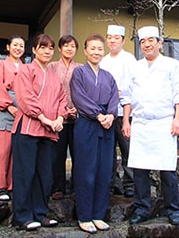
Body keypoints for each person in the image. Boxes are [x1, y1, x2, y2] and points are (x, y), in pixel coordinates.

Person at [122, 26, 179, 226]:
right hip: (141, 124)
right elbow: (127, 96)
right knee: (140, 171)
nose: (147, 44)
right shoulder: (135, 67)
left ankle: (173, 209)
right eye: (143, 41)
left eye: (151, 40)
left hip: (164, 123)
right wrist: (126, 120)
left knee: (168, 170)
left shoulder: (172, 65)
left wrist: (178, 118)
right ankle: (142, 209)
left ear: (160, 43)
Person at [11, 34, 68, 232]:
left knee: (45, 175)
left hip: (49, 132)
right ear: (34, 50)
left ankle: (40, 213)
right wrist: (44, 118)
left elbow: (62, 99)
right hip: (27, 129)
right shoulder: (25, 70)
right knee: (25, 173)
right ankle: (22, 217)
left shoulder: (54, 75)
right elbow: (26, 98)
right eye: (42, 47)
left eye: (50, 48)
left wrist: (60, 118)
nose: (47, 51)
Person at [70, 34, 120, 234]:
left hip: (107, 126)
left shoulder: (108, 76)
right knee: (86, 171)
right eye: (93, 48)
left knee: (104, 171)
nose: (97, 52)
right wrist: (98, 115)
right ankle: (84, 216)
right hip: (87, 125)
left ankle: (98, 214)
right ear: (85, 51)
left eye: (100, 48)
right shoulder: (79, 73)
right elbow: (78, 97)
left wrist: (111, 115)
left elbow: (115, 96)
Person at [100, 24, 136, 198]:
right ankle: (113, 182)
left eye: (116, 38)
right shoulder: (103, 60)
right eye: (109, 37)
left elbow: (134, 86)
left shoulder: (129, 60)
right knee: (109, 151)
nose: (112, 41)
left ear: (122, 40)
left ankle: (130, 184)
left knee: (128, 149)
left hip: (124, 113)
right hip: (106, 113)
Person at [0, 35, 25, 201]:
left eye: (21, 46)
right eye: (15, 45)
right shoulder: (0, 64)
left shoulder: (26, 68)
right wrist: (9, 106)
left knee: (16, 152)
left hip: (22, 112)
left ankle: (12, 186)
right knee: (1, 151)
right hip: (3, 112)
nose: (18, 48)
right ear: (8, 47)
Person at [48, 35, 82, 200]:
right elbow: (49, 91)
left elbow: (84, 92)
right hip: (58, 118)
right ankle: (58, 188)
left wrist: (78, 109)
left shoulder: (81, 68)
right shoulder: (52, 67)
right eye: (66, 46)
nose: (69, 49)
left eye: (73, 46)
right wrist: (61, 111)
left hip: (77, 118)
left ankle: (77, 188)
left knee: (78, 154)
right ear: (60, 49)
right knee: (58, 155)